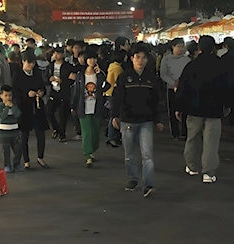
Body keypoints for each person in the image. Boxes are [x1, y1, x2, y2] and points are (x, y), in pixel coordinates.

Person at [176, 35, 234, 185]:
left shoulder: (191, 66)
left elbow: (183, 88)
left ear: (199, 48)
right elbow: (228, 86)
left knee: (192, 137)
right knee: (211, 141)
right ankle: (208, 172)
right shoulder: (220, 65)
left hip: (193, 108)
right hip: (214, 109)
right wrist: (227, 104)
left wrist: (179, 107)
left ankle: (192, 166)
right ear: (214, 47)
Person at [111, 42, 165, 197]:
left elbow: (156, 101)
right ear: (132, 58)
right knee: (130, 154)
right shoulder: (124, 77)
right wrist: (114, 116)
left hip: (146, 121)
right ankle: (132, 178)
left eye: (143, 58)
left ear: (147, 60)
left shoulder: (151, 79)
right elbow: (117, 98)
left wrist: (158, 120)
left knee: (147, 155)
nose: (140, 60)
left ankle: (148, 184)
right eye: (137, 57)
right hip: (128, 120)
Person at [13, 50, 49, 168]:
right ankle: (26, 160)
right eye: (29, 63)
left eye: (33, 63)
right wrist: (26, 95)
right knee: (24, 136)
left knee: (41, 134)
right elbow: (15, 93)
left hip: (37, 107)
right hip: (24, 108)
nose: (31, 65)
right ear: (23, 61)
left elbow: (43, 87)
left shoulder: (37, 74)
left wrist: (41, 92)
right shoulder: (18, 75)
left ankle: (40, 157)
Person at [74, 46, 108, 168]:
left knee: (95, 132)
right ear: (86, 60)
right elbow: (76, 91)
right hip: (83, 107)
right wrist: (73, 105)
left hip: (96, 106)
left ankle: (93, 150)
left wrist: (100, 75)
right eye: (89, 59)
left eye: (94, 59)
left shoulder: (100, 73)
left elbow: (106, 86)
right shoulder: (80, 75)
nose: (92, 61)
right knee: (87, 132)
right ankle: (87, 155)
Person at [159, 38, 191, 139]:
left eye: (182, 46)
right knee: (172, 110)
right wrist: (174, 83)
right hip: (171, 88)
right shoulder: (166, 59)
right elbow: (163, 74)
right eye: (179, 46)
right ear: (173, 47)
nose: (181, 49)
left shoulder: (187, 60)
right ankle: (175, 132)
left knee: (185, 111)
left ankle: (185, 132)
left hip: (185, 89)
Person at [46, 46, 74, 142]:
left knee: (63, 115)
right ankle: (56, 128)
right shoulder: (50, 66)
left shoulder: (67, 66)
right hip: (54, 92)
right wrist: (49, 79)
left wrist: (63, 81)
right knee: (49, 111)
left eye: (58, 53)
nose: (56, 55)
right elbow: (46, 78)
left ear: (62, 54)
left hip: (64, 93)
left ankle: (62, 134)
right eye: (55, 53)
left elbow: (72, 80)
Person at [0, 84, 23, 173]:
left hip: (15, 132)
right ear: (1, 96)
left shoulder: (14, 105)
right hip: (4, 133)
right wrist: (7, 106)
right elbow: (2, 116)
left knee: (18, 149)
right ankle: (7, 165)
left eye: (10, 95)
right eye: (6, 95)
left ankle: (16, 164)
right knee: (5, 151)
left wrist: (12, 106)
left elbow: (18, 114)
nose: (8, 98)